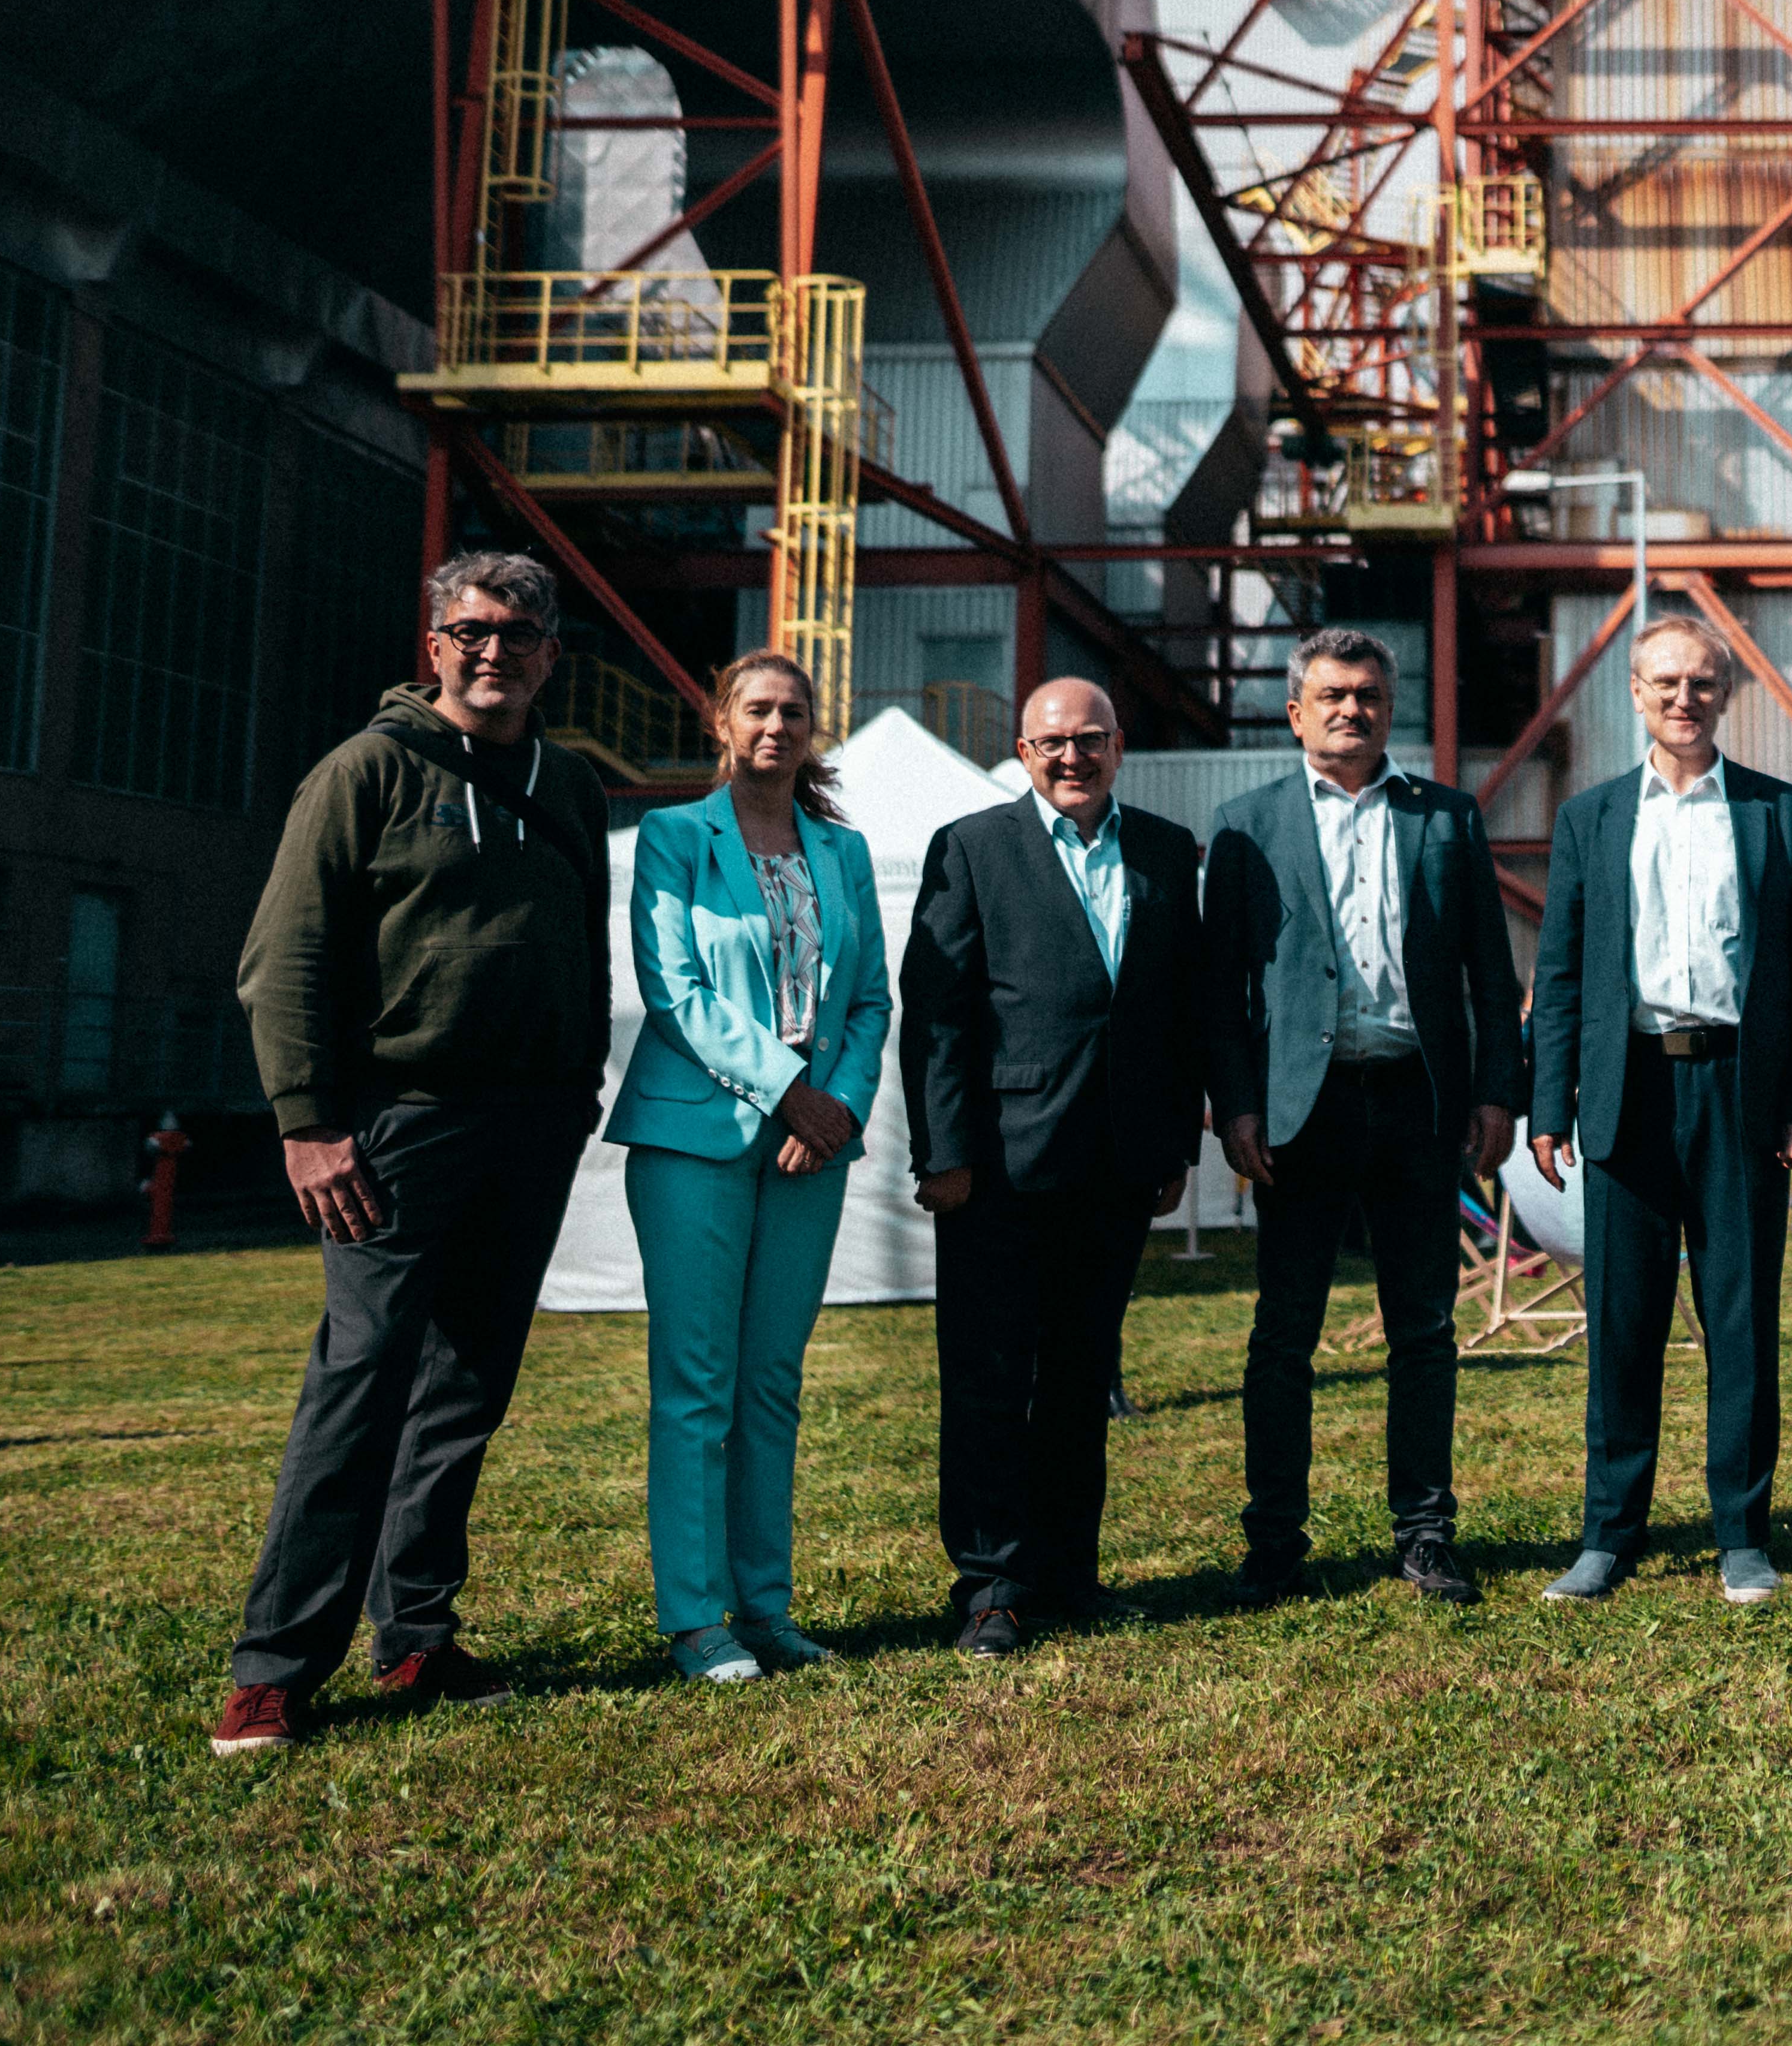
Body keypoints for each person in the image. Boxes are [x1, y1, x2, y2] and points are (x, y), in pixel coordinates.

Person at [211, 553, 610, 1754]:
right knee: (363, 1382)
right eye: (474, 630)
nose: (498, 650)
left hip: (531, 1124)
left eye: (522, 632)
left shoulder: (571, 784)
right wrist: (309, 1120)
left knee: (464, 1390)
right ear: (434, 643)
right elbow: (283, 958)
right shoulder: (365, 771)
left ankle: (417, 1635)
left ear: (552, 652)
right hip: (395, 1122)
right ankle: (274, 1666)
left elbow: (582, 944)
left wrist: (575, 1087)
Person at [1204, 628, 1526, 1606]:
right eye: (1333, 695)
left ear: (1393, 708)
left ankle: (1426, 1533)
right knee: (1283, 1336)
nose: (1353, 710)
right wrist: (1237, 1109)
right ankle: (1275, 1543)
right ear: (1295, 711)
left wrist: (1496, 1092)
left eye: (1371, 696)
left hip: (1418, 1106)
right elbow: (1222, 990)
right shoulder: (1245, 823)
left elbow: (1488, 972)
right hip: (1303, 1113)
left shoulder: (1447, 820)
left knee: (1424, 1330)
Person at [1525, 616, 1792, 1606]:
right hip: (1629, 1090)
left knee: (1741, 1320)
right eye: (1666, 683)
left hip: (1740, 1088)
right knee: (1624, 1321)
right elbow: (1563, 973)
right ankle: (1608, 1536)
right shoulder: (1593, 818)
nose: (1684, 700)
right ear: (1634, 691)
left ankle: (1743, 1535)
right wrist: (1549, 1104)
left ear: (1727, 691)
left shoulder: (1784, 813)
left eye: (1703, 683)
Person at [899, 676, 1208, 1653]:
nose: (1071, 758)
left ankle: (1070, 1572)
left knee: (1081, 1378)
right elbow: (938, 1014)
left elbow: (1178, 1011)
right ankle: (992, 1585)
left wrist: (1172, 1143)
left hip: (1118, 1164)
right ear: (1023, 754)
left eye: (1091, 740)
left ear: (1120, 746)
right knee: (991, 1380)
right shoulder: (974, 850)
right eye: (1051, 744)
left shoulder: (1165, 850)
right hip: (997, 1162)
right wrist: (942, 1151)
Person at [607, 651, 892, 1686]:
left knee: (772, 1384)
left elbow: (870, 1001)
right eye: (758, 710)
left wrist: (836, 1110)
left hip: (813, 1147)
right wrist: (789, 1091)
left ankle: (764, 1608)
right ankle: (695, 1621)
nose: (778, 726)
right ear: (722, 723)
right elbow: (674, 988)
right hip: (694, 1142)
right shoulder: (676, 838)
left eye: (797, 712)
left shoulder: (845, 852)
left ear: (817, 728)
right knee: (697, 1387)